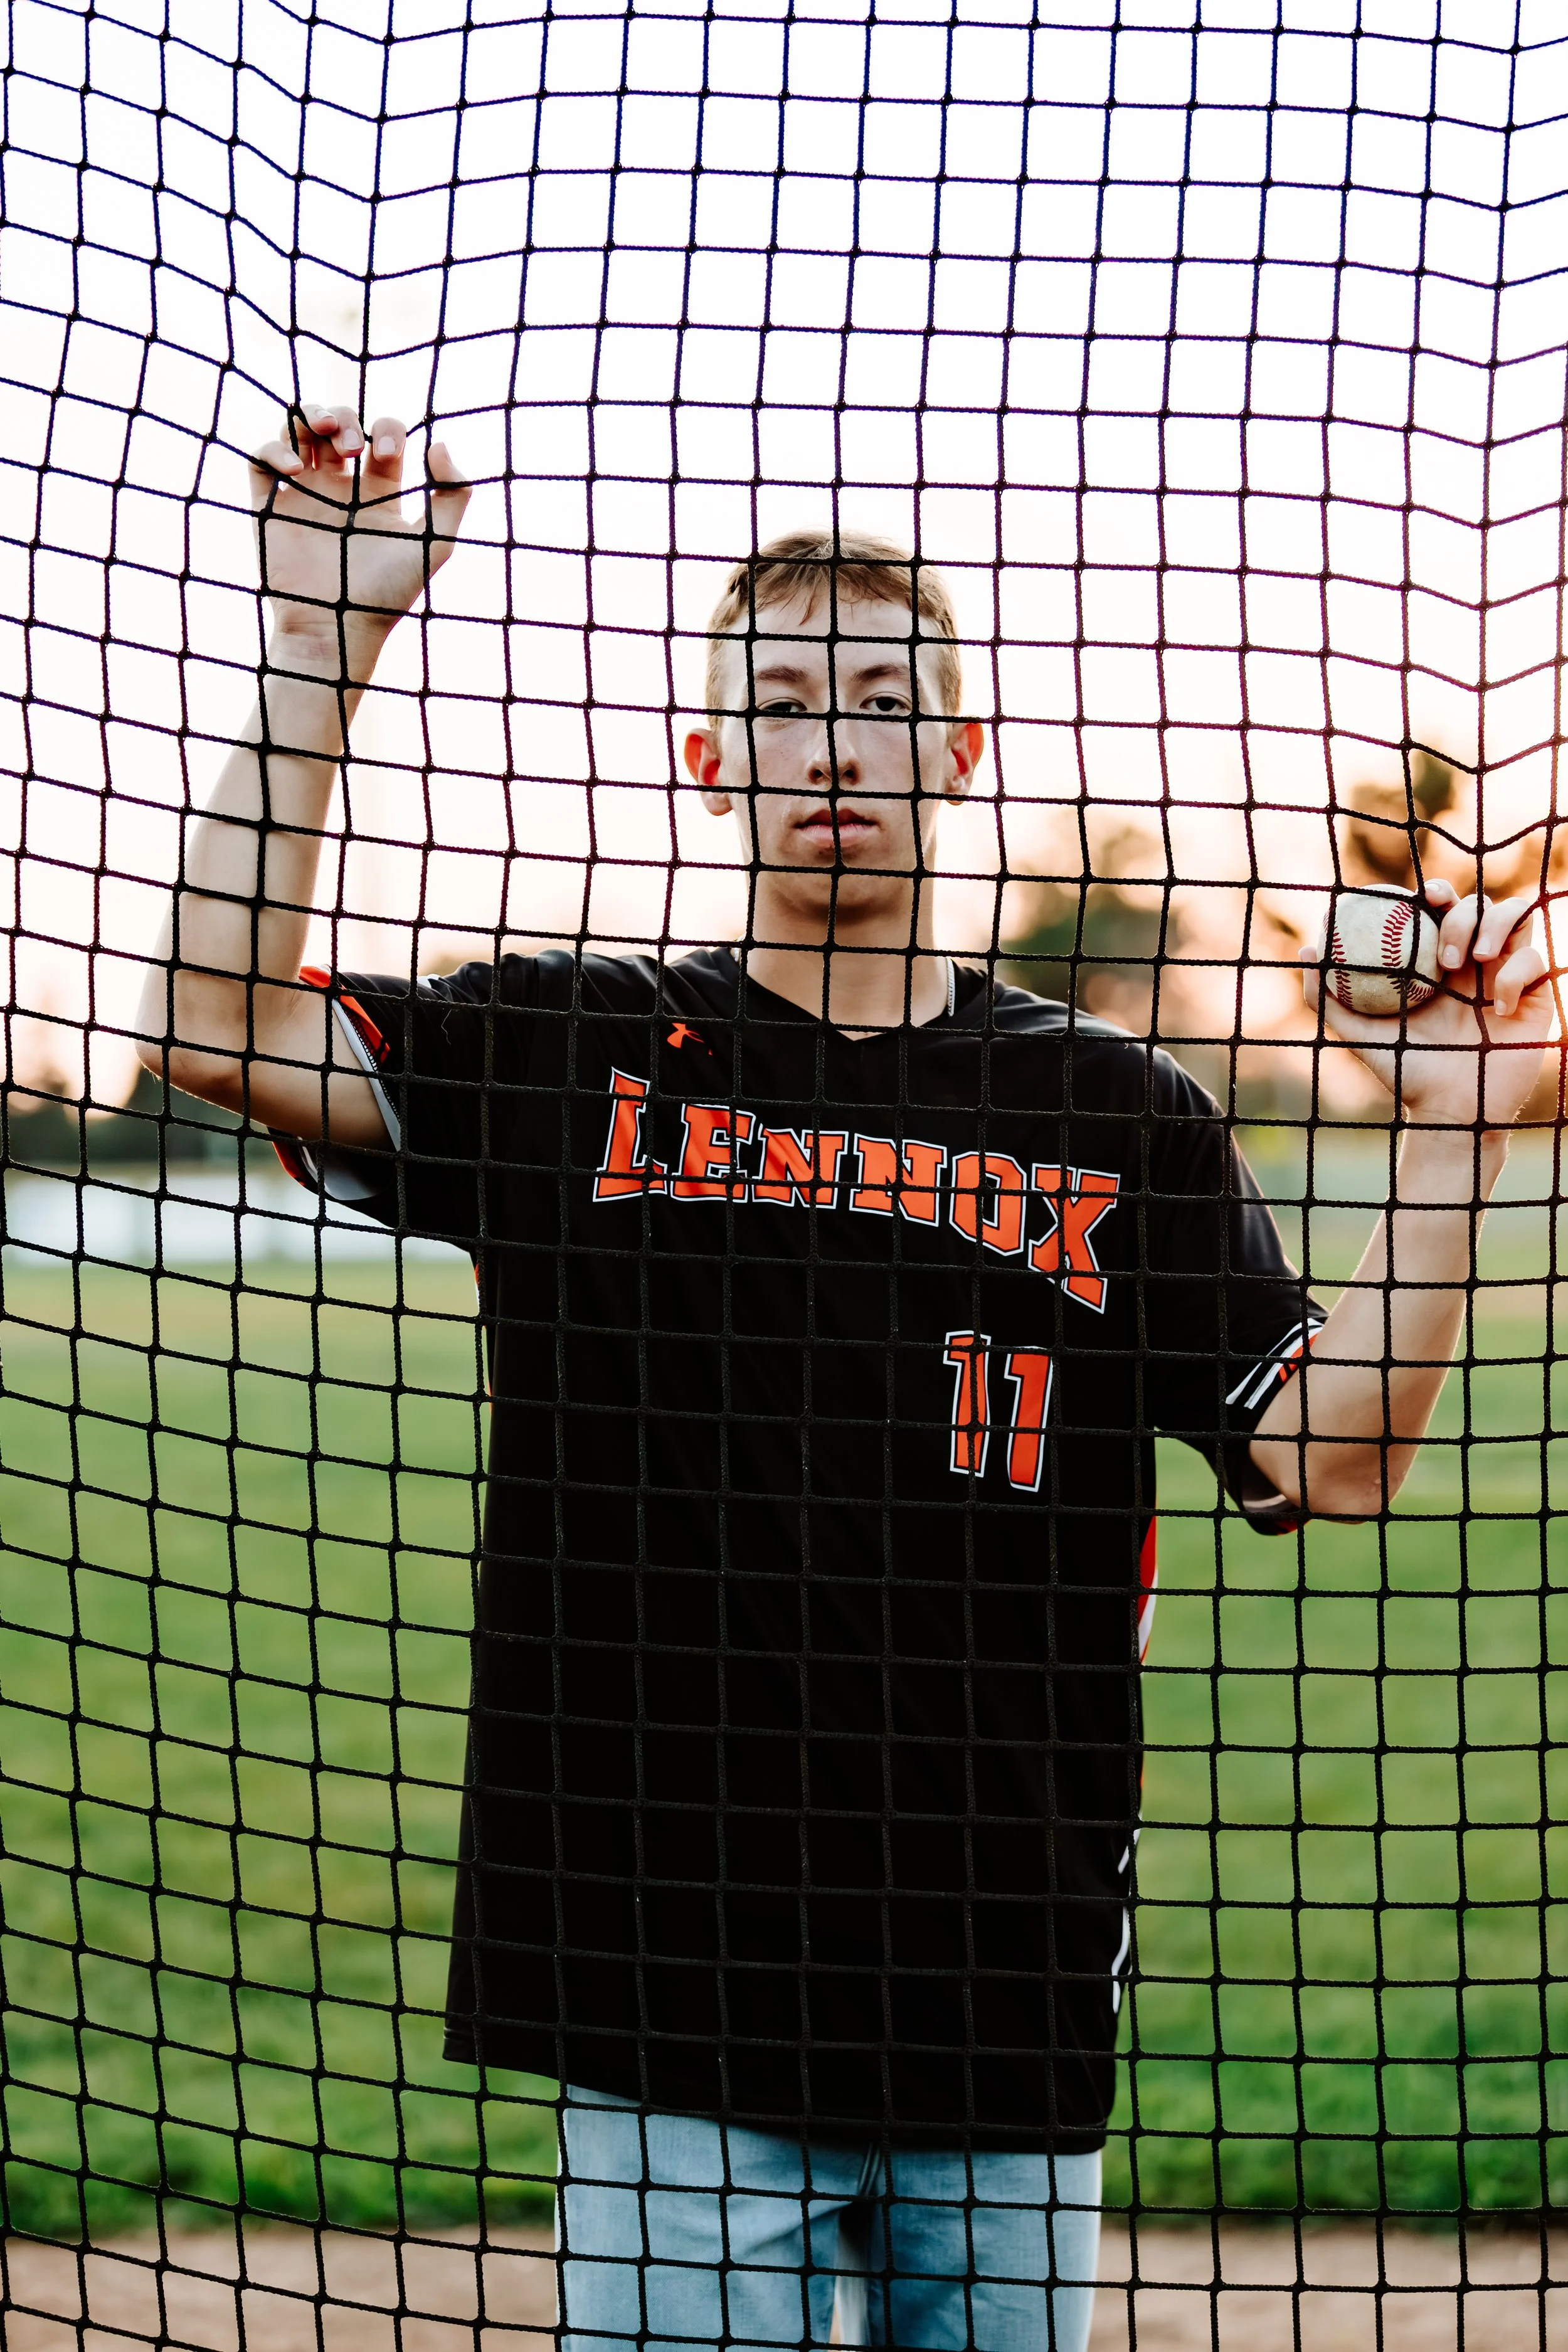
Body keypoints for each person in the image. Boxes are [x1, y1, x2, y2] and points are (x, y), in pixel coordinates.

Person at [139, 403, 1553, 2352]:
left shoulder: (1110, 1101)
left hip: (998, 1979)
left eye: (882, 700)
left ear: (957, 753)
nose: (831, 742)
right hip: (667, 1987)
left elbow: (1335, 1455)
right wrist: (325, 644)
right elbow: (211, 1022)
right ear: (710, 759)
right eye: (783, 701)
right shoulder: (572, 1048)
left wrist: (1455, 1139)